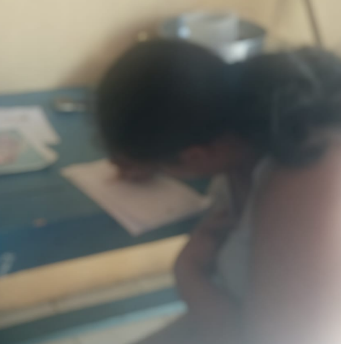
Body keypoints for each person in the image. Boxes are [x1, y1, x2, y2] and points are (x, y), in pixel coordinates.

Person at [96, 39, 341, 344]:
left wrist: (189, 275)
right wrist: (150, 160)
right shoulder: (244, 125)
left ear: (195, 157)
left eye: (161, 166)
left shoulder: (304, 178)